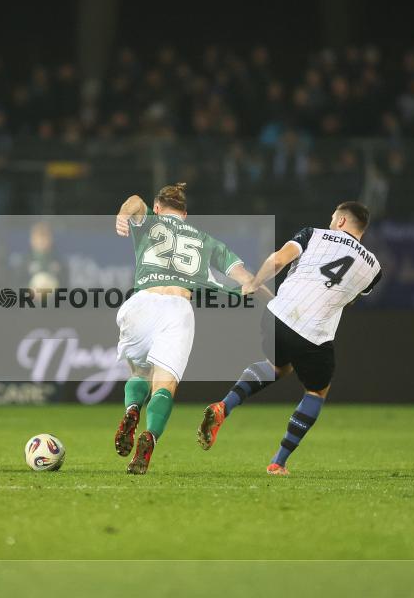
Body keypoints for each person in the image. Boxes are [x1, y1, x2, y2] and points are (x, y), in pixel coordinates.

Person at [198, 201, 382, 475]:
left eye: (333, 217)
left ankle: (224, 405)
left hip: (276, 316)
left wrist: (254, 282)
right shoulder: (375, 269)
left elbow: (278, 260)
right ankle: (278, 461)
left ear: (342, 221)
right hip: (312, 333)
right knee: (317, 390)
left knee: (278, 366)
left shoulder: (312, 234)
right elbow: (350, 298)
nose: (331, 221)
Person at [114, 182, 258, 474]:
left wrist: (122, 214)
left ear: (158, 208)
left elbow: (135, 201)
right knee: (165, 385)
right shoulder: (206, 239)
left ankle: (131, 411)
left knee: (140, 373)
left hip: (143, 300)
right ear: (185, 214)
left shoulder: (149, 222)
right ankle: (150, 436)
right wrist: (253, 284)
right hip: (179, 307)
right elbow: (243, 277)